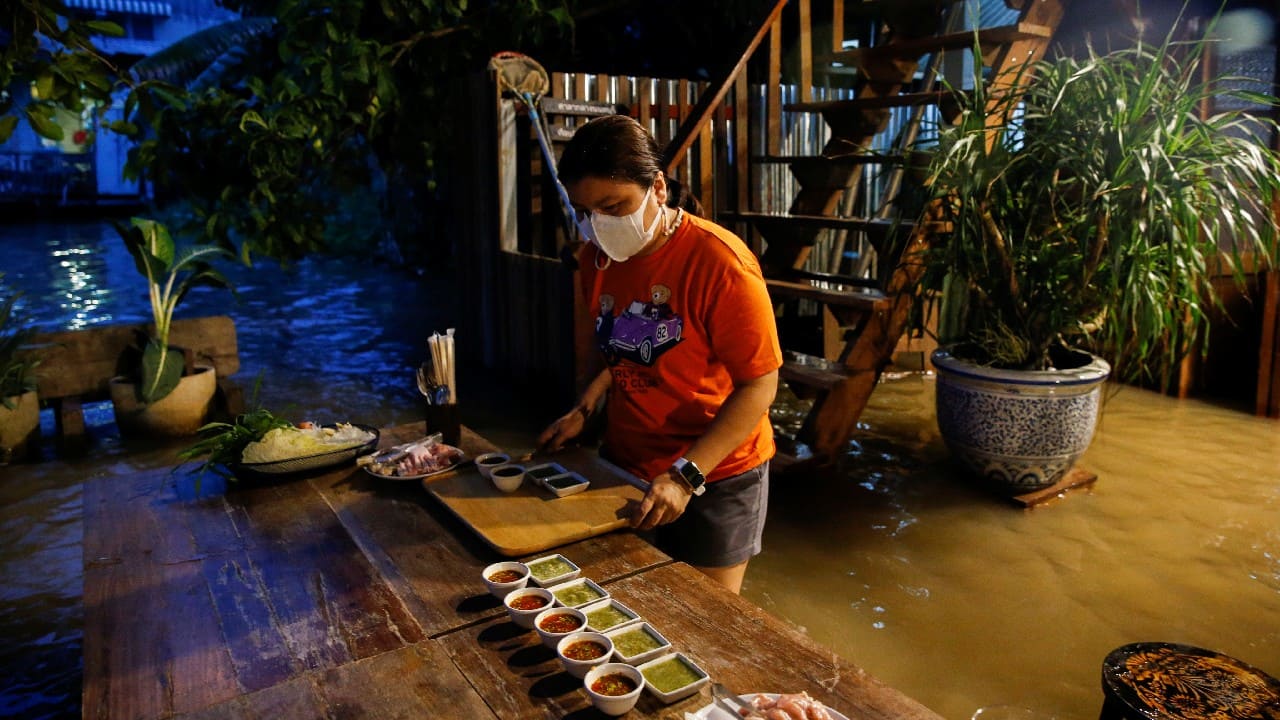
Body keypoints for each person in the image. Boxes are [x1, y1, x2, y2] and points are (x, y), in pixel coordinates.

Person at [536, 114, 781, 594]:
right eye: (586, 211)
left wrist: (686, 476)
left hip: (718, 470)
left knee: (708, 621)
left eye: (613, 206)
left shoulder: (720, 263)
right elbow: (616, 354)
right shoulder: (594, 260)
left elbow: (760, 384)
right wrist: (585, 409)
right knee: (627, 602)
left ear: (659, 189)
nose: (600, 225)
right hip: (628, 460)